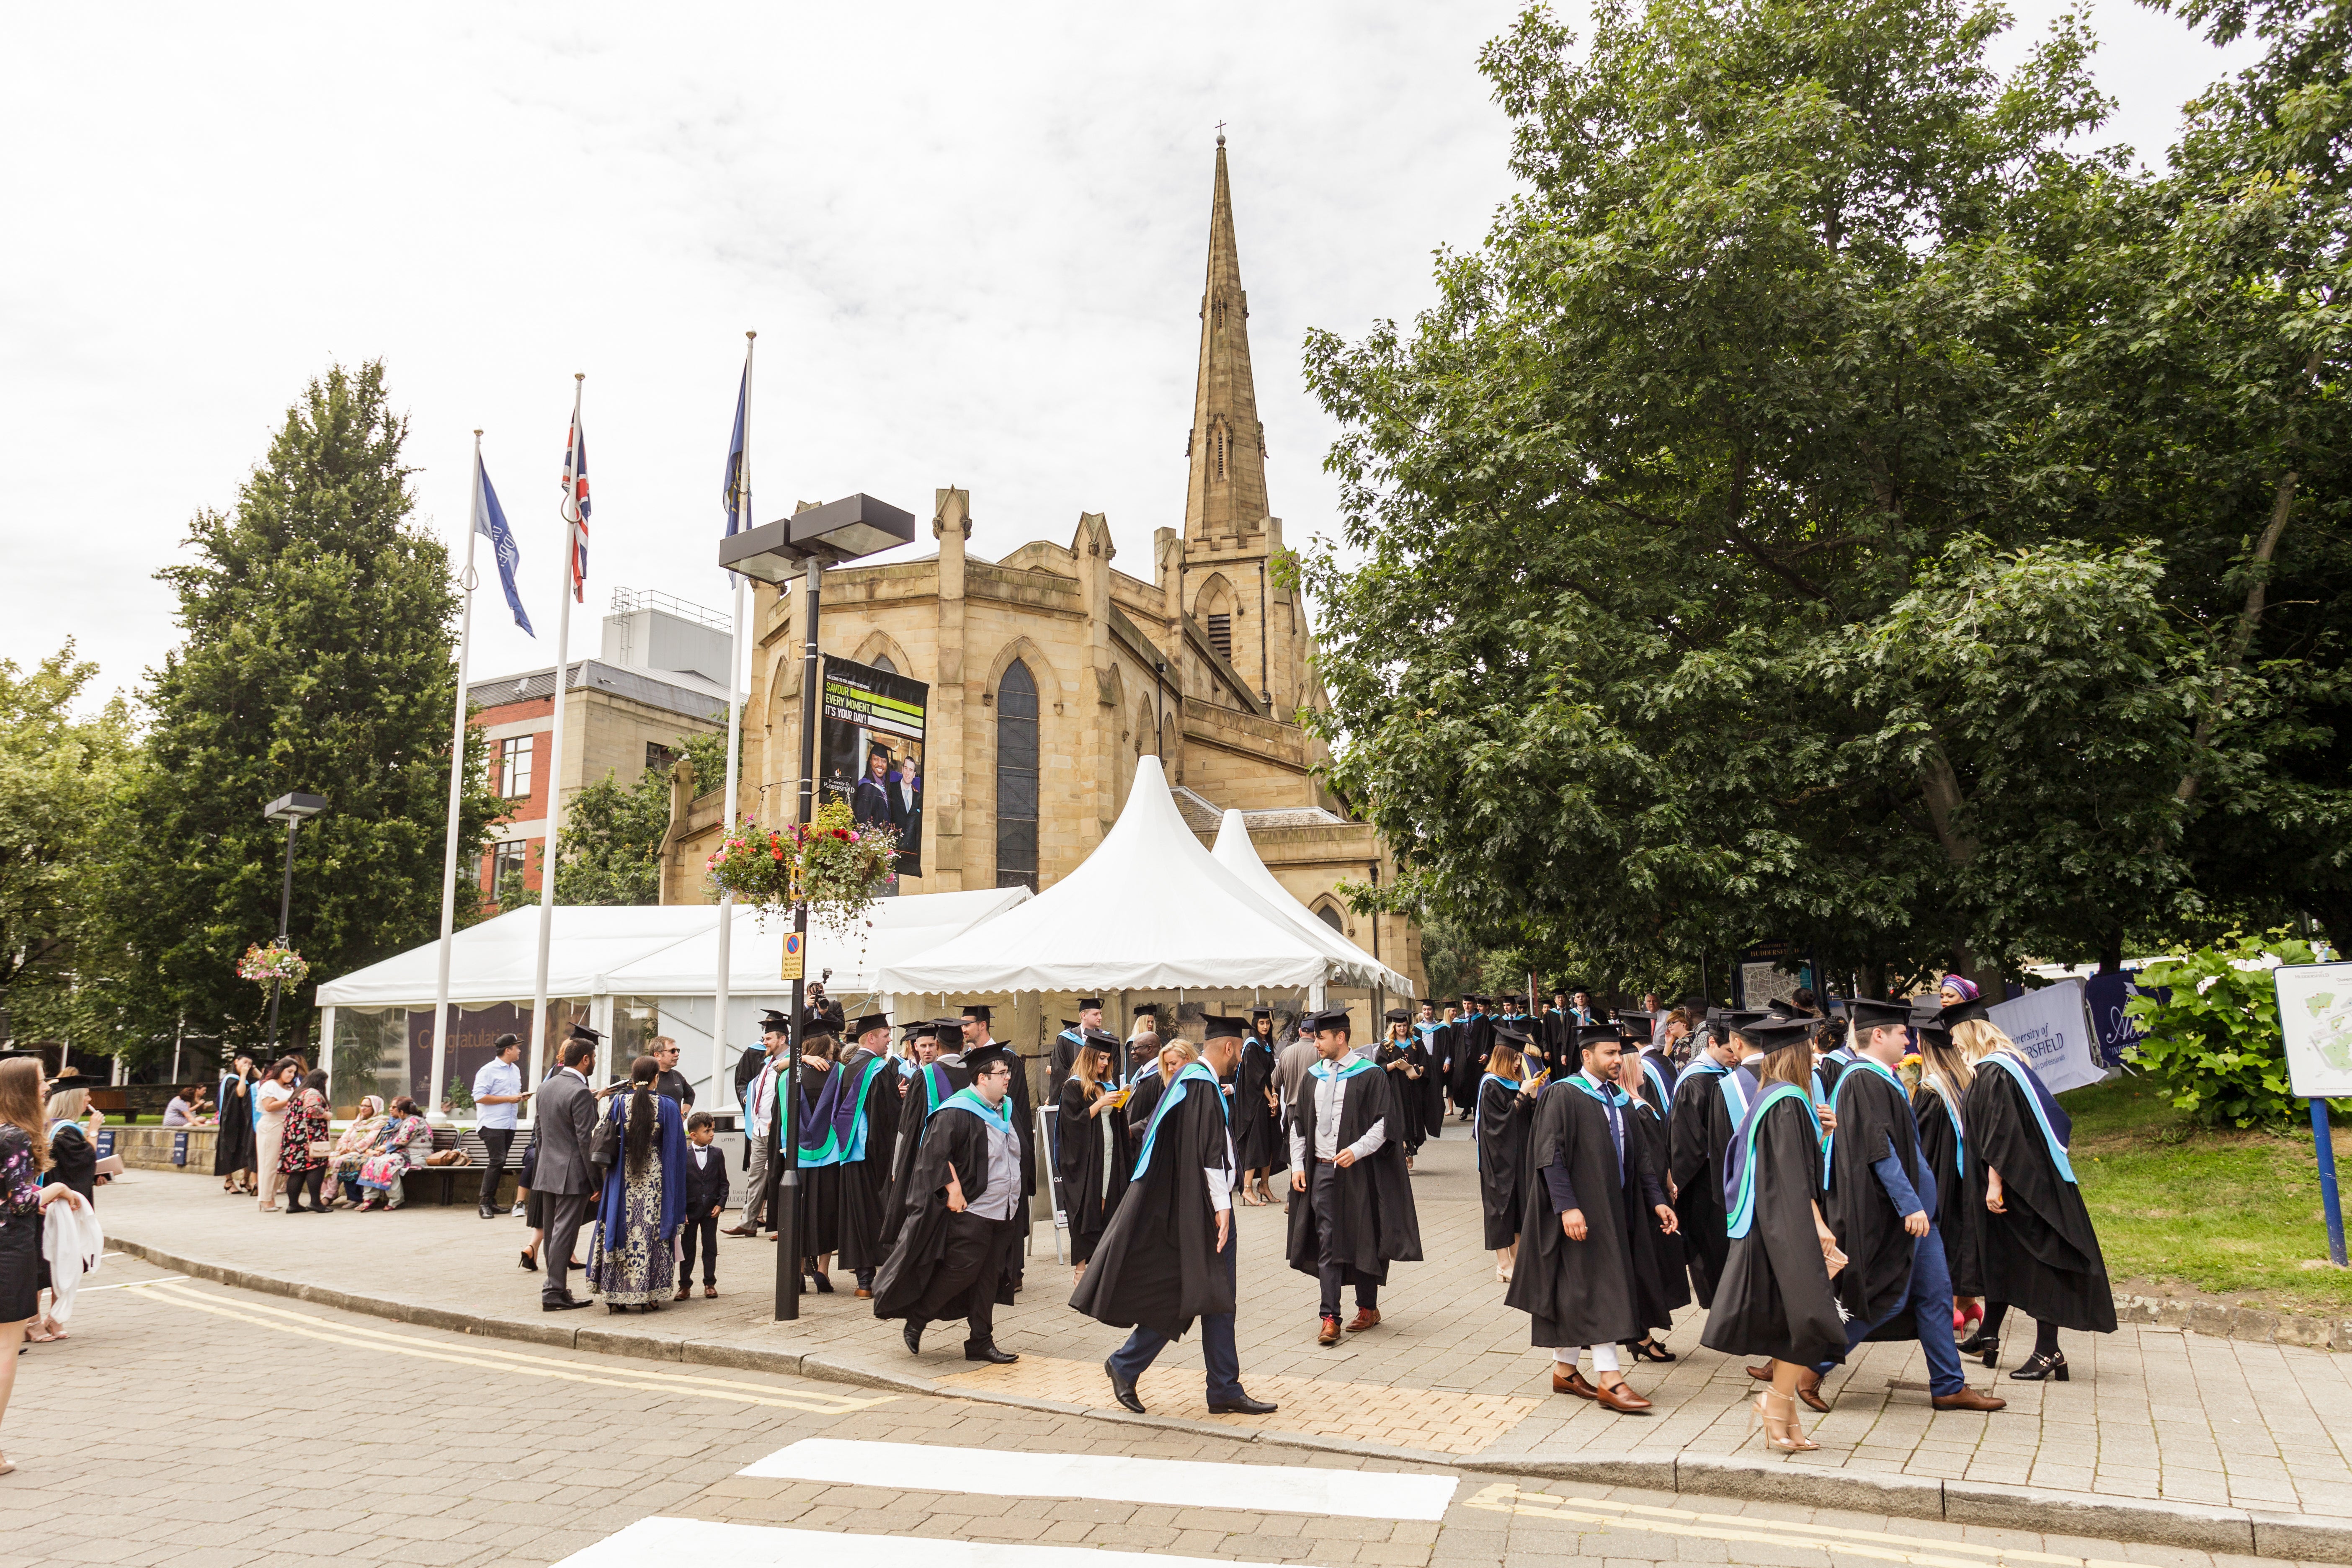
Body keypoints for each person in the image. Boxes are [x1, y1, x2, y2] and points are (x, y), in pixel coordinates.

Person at [1809, 998, 2006, 1413]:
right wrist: (1910, 1205)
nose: (1908, 1038)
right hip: (1897, 1216)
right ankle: (1812, 1367)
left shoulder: (1881, 1077)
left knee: (1937, 1296)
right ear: (1879, 1035)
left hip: (1918, 1215)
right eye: (1902, 1032)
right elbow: (1879, 1150)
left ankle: (1948, 1385)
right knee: (1885, 1298)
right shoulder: (1864, 1079)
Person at [1079, 1015, 1279, 1416]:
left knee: (1209, 1297)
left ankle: (1218, 1386)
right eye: (1238, 1053)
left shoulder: (1188, 1081)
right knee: (1203, 1295)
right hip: (1204, 1209)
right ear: (1229, 1048)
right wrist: (1223, 1208)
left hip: (1190, 1205)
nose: (1239, 1060)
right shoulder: (1200, 1083)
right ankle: (1138, 1367)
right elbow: (1210, 1152)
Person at [1502, 1022, 1677, 1413]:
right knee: (1602, 1289)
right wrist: (1567, 1207)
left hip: (1616, 1210)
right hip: (1580, 1211)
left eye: (1619, 1054)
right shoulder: (1565, 1094)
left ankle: (1565, 1372)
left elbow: (1641, 1159)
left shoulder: (1620, 1099)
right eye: (1609, 1054)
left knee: (1581, 1289)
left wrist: (1657, 1201)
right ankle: (1610, 1379)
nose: (1617, 1060)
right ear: (1587, 1056)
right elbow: (1549, 1155)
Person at [1699, 1015, 1847, 1452]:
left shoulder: (1771, 1095)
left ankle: (1784, 1413)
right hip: (1787, 1229)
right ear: (1797, 1054)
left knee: (1792, 1322)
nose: (1816, 1057)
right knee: (1807, 1319)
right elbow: (1792, 1173)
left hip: (1772, 1224)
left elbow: (1785, 1162)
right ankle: (1775, 1403)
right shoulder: (1789, 1100)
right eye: (1810, 1050)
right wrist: (1818, 1224)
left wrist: (1821, 1134)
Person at [1954, 1005, 2115, 1380]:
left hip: (2021, 1187)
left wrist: (1995, 1183)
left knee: (2038, 1263)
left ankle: (2048, 1351)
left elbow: (2002, 1132)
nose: (1956, 1048)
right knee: (2002, 1256)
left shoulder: (1997, 1071)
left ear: (1972, 1035)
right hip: (2019, 1182)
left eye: (1957, 1040)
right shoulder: (2001, 1067)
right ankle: (1990, 1332)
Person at [872, 1045, 1025, 1363]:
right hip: (974, 1211)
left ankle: (980, 1341)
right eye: (1002, 1073)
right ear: (983, 1078)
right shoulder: (957, 1110)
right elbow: (934, 1155)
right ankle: (918, 1318)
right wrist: (953, 1188)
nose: (1008, 1077)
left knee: (989, 1277)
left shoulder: (1006, 1109)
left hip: (1006, 1209)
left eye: (1007, 1072)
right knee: (962, 1271)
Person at [1287, 1009, 1423, 1346]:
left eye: (1320, 1038)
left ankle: (1368, 1307)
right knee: (1327, 1240)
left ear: (1340, 1037)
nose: (1315, 1044)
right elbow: (1298, 1124)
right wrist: (1298, 1165)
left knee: (1364, 1236)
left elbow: (1385, 1122)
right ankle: (1329, 1317)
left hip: (1360, 1171)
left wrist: (1357, 1150)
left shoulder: (1370, 1075)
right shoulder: (1313, 1076)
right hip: (1321, 1171)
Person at [1, 1058, 92, 1474]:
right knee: (5, 1349)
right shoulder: (14, 1136)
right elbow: (21, 1202)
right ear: (21, 1089)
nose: (47, 1088)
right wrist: (57, 1189)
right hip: (8, 1249)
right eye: (41, 1081)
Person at [588, 1055, 688, 1313]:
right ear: (656, 1078)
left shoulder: (618, 1103)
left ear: (632, 1078)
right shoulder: (667, 1106)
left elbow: (599, 1134)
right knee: (651, 1231)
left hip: (622, 1178)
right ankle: (650, 1293)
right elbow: (678, 1150)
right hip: (656, 1179)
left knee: (620, 1227)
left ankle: (615, 1293)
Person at [1666, 1011, 1752, 1307]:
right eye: (1729, 1050)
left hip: (1723, 1176)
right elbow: (1686, 1142)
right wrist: (1680, 1184)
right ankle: (1719, 1306)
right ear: (1712, 1043)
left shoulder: (1724, 1076)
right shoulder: (1696, 1080)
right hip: (1704, 1180)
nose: (1734, 1056)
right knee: (1711, 1245)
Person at [1911, 1003, 1986, 1340]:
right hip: (1969, 1179)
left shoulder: (1931, 1090)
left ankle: (1952, 1307)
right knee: (1964, 1235)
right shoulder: (1968, 1079)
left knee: (1944, 1238)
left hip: (1941, 1179)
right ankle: (1969, 1304)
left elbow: (1922, 1145)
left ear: (1925, 1046)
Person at [1612, 1039, 1688, 1364]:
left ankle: (1640, 1334)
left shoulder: (1632, 1104)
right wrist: (1663, 1188)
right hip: (1647, 1203)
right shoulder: (1637, 1109)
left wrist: (1668, 1180)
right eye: (1640, 1064)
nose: (1644, 1068)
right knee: (1646, 1268)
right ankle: (1639, 1335)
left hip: (1649, 1195)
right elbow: (1650, 1160)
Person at [829, 1013, 905, 1299]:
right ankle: (889, 1279)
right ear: (871, 1038)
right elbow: (889, 1119)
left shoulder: (848, 1069)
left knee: (857, 1216)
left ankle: (864, 1282)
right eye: (886, 1036)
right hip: (874, 1157)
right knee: (880, 1215)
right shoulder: (878, 1070)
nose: (889, 1041)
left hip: (850, 1154)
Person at [1057, 1029, 1132, 1280]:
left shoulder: (1106, 1085)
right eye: (1101, 1058)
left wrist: (1119, 1103)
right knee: (1087, 1208)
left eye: (1108, 1059)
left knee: (1107, 1206)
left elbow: (1115, 1123)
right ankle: (1081, 1271)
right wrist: (1100, 1104)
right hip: (1088, 1159)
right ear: (1089, 1057)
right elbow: (1071, 1124)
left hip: (1110, 1154)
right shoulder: (1073, 1087)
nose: (1105, 1063)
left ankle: (1104, 1266)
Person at [536, 1030, 602, 1312]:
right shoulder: (580, 1092)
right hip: (572, 1173)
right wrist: (597, 1181)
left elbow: (539, 1132)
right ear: (586, 1059)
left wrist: (545, 1162)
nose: (595, 1061)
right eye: (594, 1057)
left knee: (553, 1232)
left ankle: (556, 1289)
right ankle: (554, 1291)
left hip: (547, 1169)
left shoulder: (546, 1087)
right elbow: (586, 1140)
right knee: (565, 1233)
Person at [1476, 1028, 1542, 1283]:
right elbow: (1499, 1124)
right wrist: (1522, 1095)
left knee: (1517, 1207)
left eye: (1519, 1059)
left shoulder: (1513, 1083)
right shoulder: (1490, 1085)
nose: (1518, 1063)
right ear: (1503, 1057)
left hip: (1518, 1155)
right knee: (1500, 1210)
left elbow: (1527, 1120)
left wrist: (1532, 1096)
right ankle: (1503, 1265)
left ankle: (1516, 1261)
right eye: (1515, 1058)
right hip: (1498, 1158)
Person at [726, 1011, 793, 1238]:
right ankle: (749, 1222)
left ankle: (784, 1225)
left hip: (777, 1130)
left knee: (779, 1176)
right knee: (755, 1176)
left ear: (782, 1039)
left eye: (768, 1039)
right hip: (758, 1128)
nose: (764, 1042)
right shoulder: (767, 1063)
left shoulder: (792, 1062)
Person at [790, 1032, 843, 1292]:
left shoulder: (791, 1075)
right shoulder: (839, 1072)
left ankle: (799, 1271)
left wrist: (799, 1060)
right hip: (830, 1155)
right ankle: (823, 1271)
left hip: (798, 1158)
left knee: (799, 1212)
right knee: (827, 1211)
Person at [470, 1034, 530, 1218]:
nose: (519, 1050)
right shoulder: (488, 1070)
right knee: (497, 1160)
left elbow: (510, 1095)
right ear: (508, 1050)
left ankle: (491, 1202)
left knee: (500, 1161)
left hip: (509, 1123)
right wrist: (509, 1099)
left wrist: (520, 1097)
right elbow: (479, 1097)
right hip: (492, 1123)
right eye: (517, 1047)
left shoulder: (515, 1070)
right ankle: (484, 1203)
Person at [1234, 1008, 1284, 1205]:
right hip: (1254, 1103)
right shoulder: (1251, 1046)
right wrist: (1270, 1099)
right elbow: (1257, 1078)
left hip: (1267, 1101)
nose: (1265, 1026)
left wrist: (1275, 1096)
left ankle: (1264, 1185)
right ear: (1255, 1024)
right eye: (1262, 1023)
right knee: (1256, 1144)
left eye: (1268, 1023)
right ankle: (1247, 1188)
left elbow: (1273, 1075)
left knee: (1270, 1143)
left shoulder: (1266, 1046)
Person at [676, 1111, 729, 1300]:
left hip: (710, 1211)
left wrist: (720, 1204)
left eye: (713, 1130)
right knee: (687, 1249)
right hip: (690, 1212)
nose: (712, 1134)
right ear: (694, 1135)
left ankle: (710, 1283)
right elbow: (678, 1185)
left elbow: (724, 1183)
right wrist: (681, 1211)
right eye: (707, 1131)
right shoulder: (683, 1155)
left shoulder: (717, 1154)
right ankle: (684, 1286)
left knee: (710, 1248)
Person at [1373, 1010, 1431, 1170]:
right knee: (1401, 1120)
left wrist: (1417, 1071)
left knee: (1413, 1119)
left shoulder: (1417, 1043)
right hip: (1396, 1089)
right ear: (1394, 1027)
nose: (1402, 1029)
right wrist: (1396, 1064)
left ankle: (1412, 1146)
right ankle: (1406, 1151)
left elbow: (1426, 1064)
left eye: (1405, 1026)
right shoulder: (1387, 1045)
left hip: (1414, 1089)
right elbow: (1380, 1067)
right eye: (1399, 1026)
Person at [279, 1069, 332, 1214]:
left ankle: (293, 1205)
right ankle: (315, 1203)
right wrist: (326, 1114)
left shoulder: (298, 1093)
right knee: (317, 1167)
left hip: (294, 1139)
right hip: (311, 1138)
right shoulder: (313, 1093)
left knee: (297, 1171)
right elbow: (312, 1110)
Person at [326, 1096, 388, 1207]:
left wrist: (350, 1149)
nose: (363, 1109)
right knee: (328, 1159)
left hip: (365, 1151)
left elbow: (368, 1140)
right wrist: (343, 1147)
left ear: (375, 1108)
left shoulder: (380, 1122)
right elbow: (345, 1136)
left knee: (343, 1161)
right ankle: (329, 1193)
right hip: (349, 1150)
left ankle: (333, 1195)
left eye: (367, 1106)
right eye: (362, 1105)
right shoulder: (358, 1121)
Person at [254, 1058, 298, 1211]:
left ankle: (271, 1198)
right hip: (271, 1125)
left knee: (277, 1165)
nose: (292, 1075)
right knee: (268, 1164)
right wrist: (290, 1100)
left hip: (284, 1126)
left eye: (294, 1073)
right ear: (280, 1070)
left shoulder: (289, 1088)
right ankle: (265, 1199)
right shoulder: (270, 1085)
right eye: (289, 1071)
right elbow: (269, 1106)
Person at [214, 1056, 258, 1196]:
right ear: (236, 1062)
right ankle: (229, 1182)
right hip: (231, 1121)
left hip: (246, 1120)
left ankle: (246, 1180)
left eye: (250, 1063)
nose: (248, 1065)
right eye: (245, 1062)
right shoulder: (230, 1079)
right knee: (227, 1150)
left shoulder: (250, 1079)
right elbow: (241, 1093)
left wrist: (254, 1070)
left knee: (249, 1149)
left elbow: (264, 1084)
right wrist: (244, 1075)